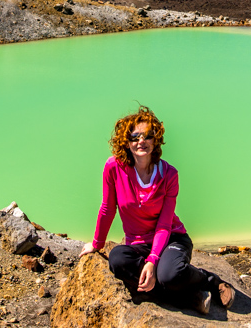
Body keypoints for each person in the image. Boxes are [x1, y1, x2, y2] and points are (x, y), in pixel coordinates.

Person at [79, 106, 235, 315]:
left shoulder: (169, 175)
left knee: (169, 275)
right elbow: (107, 208)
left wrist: (152, 260)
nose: (141, 141)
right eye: (135, 137)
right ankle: (189, 297)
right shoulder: (113, 168)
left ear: (155, 140)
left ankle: (209, 281)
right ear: (126, 142)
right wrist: (97, 244)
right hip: (138, 243)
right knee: (117, 260)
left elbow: (164, 224)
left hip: (172, 238)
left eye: (147, 136)